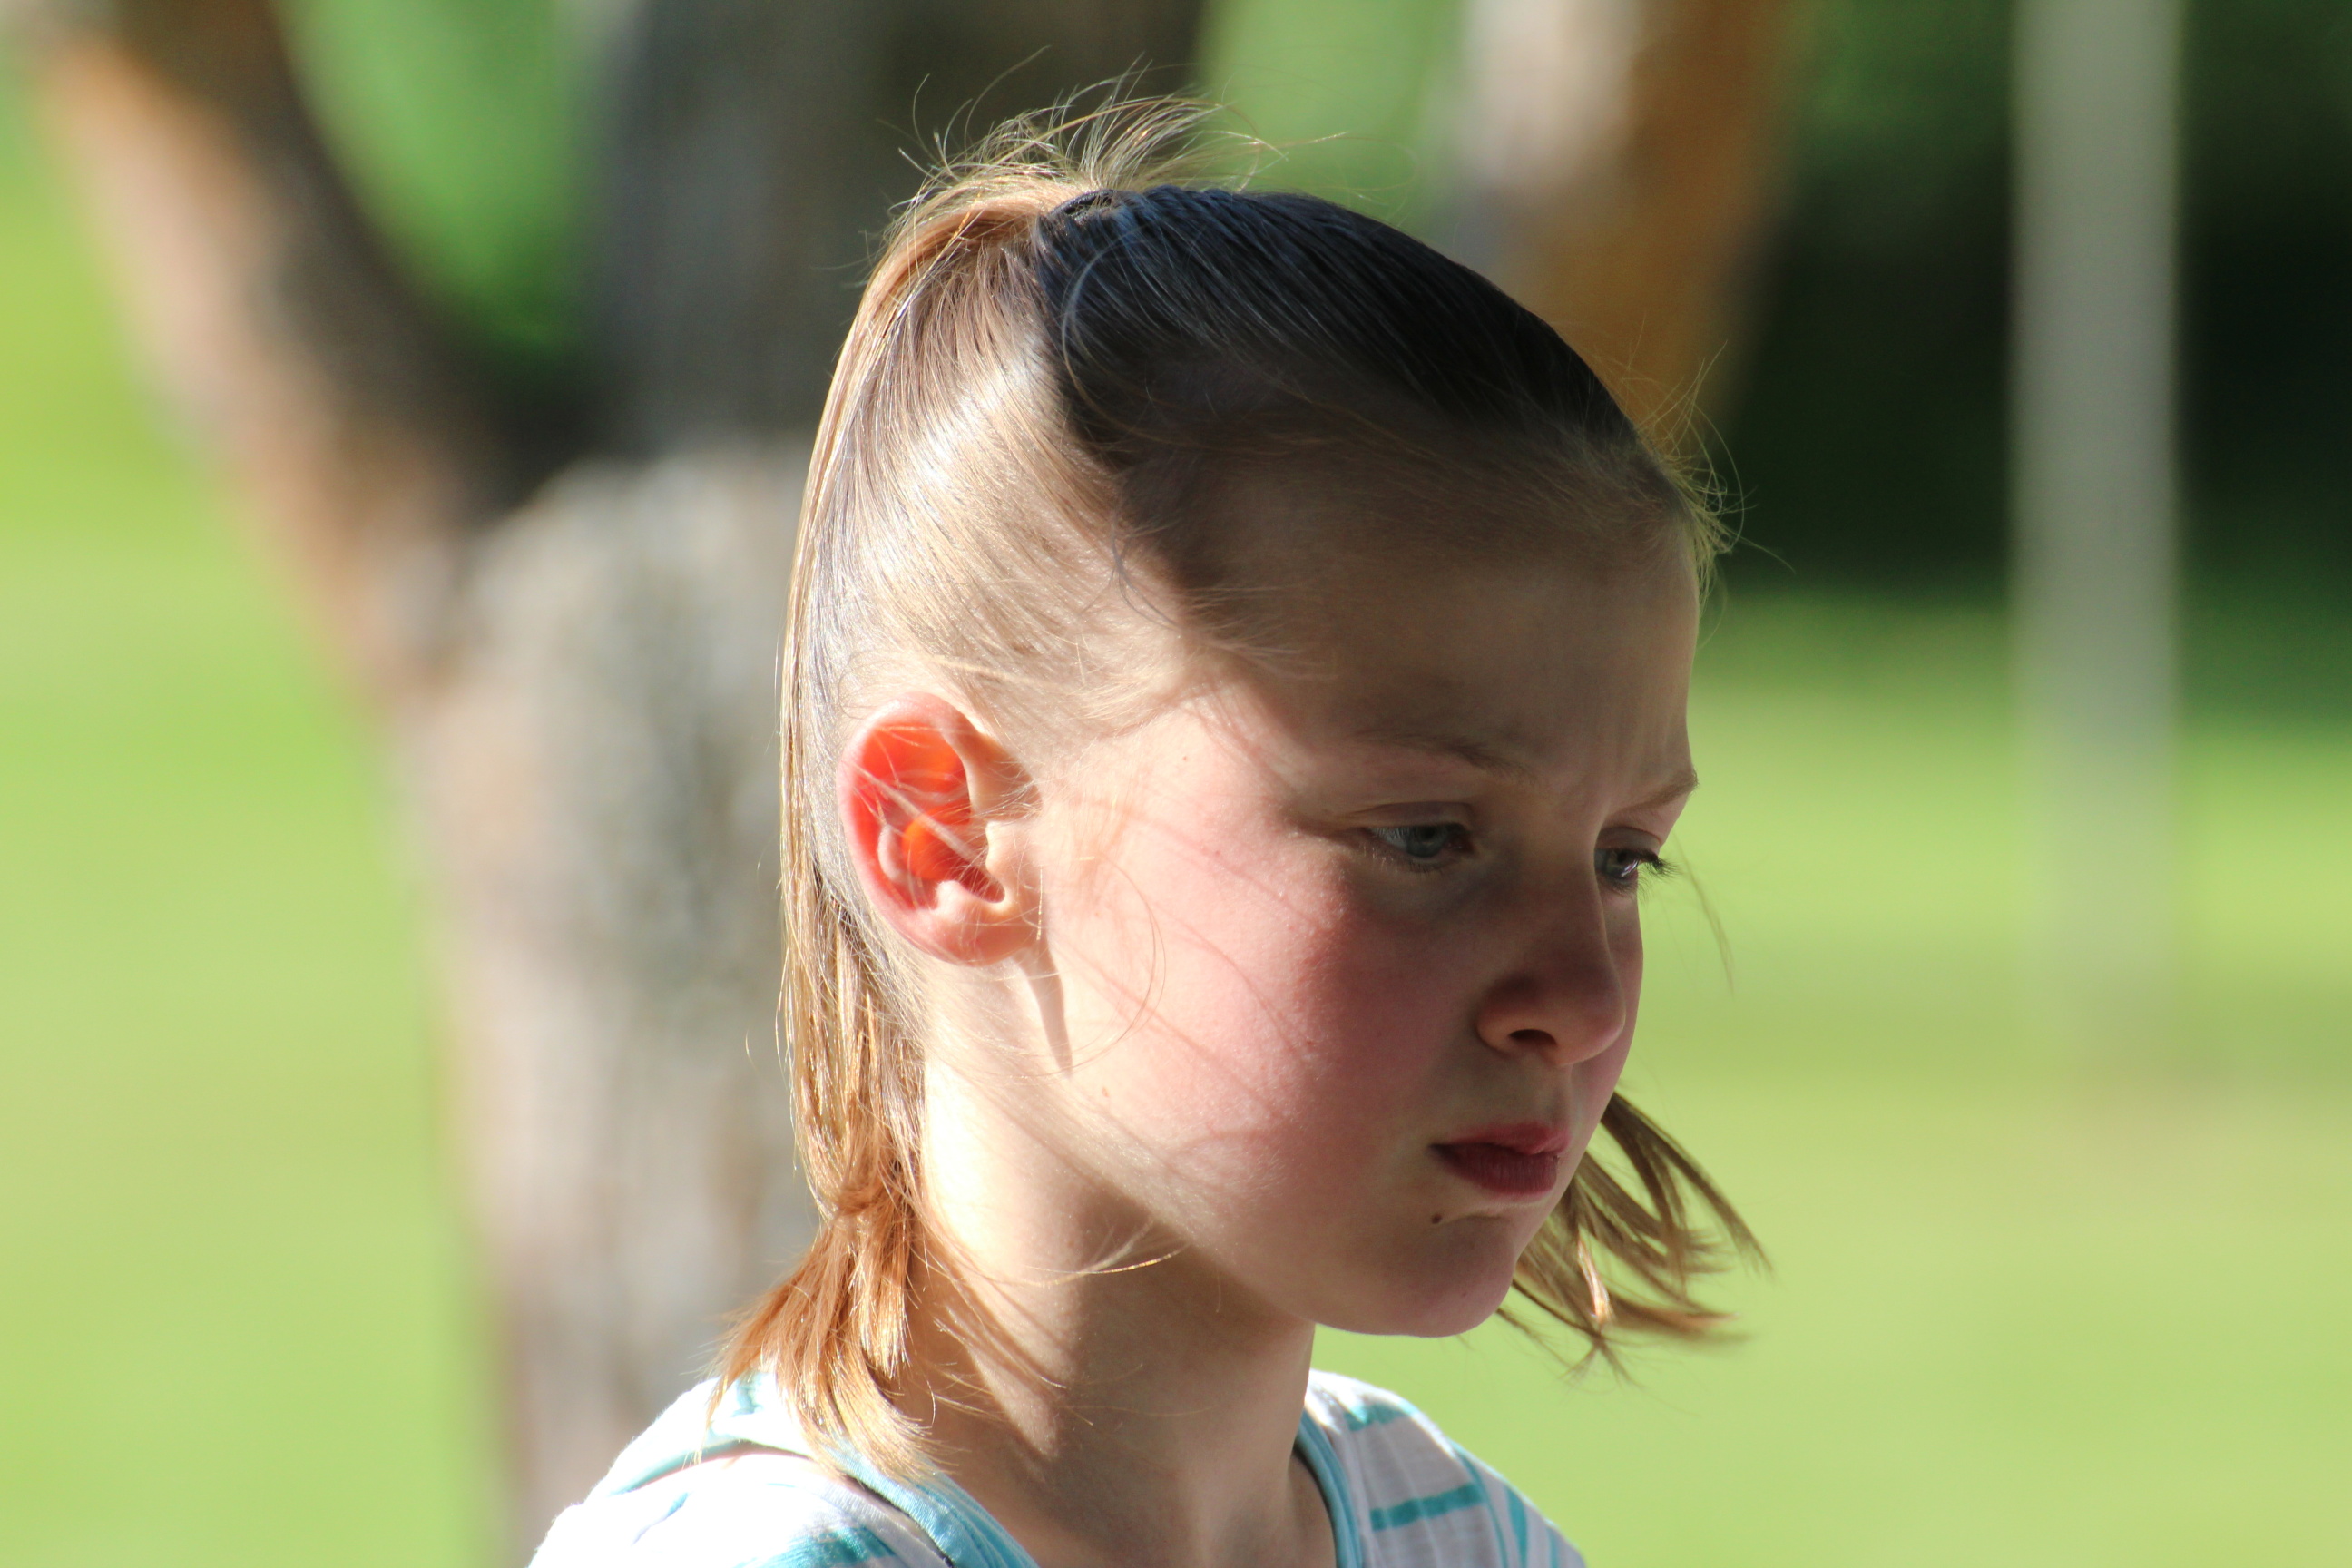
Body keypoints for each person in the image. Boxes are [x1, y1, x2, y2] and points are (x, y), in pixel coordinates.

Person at [532, 100, 1752, 1568]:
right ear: (948, 837)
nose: (1583, 999)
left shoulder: (1456, 1534)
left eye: (1622, 858)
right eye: (1430, 840)